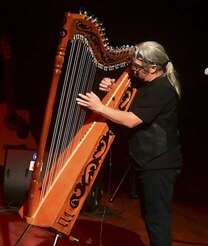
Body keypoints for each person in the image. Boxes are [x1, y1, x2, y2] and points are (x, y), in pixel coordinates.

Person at [76, 41, 182, 246]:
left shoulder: (163, 89)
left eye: (136, 67)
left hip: (160, 163)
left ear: (153, 68)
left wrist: (99, 107)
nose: (132, 70)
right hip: (147, 159)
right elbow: (134, 99)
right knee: (149, 216)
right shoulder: (147, 82)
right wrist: (113, 87)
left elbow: (132, 119)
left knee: (157, 220)